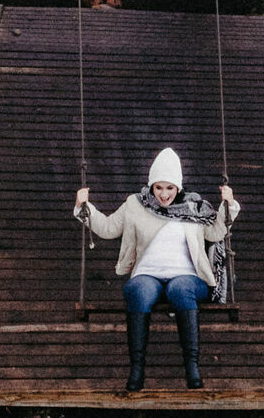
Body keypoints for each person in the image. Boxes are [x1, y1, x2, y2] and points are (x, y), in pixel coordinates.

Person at [73, 148, 238, 391]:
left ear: (178, 188)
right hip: (147, 275)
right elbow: (108, 228)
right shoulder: (135, 205)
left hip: (187, 278)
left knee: (180, 289)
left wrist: (228, 204)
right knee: (138, 290)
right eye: (158, 188)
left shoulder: (194, 207)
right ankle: (137, 369)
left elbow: (216, 231)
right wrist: (83, 207)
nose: (164, 194)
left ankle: (192, 367)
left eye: (170, 188)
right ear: (151, 185)